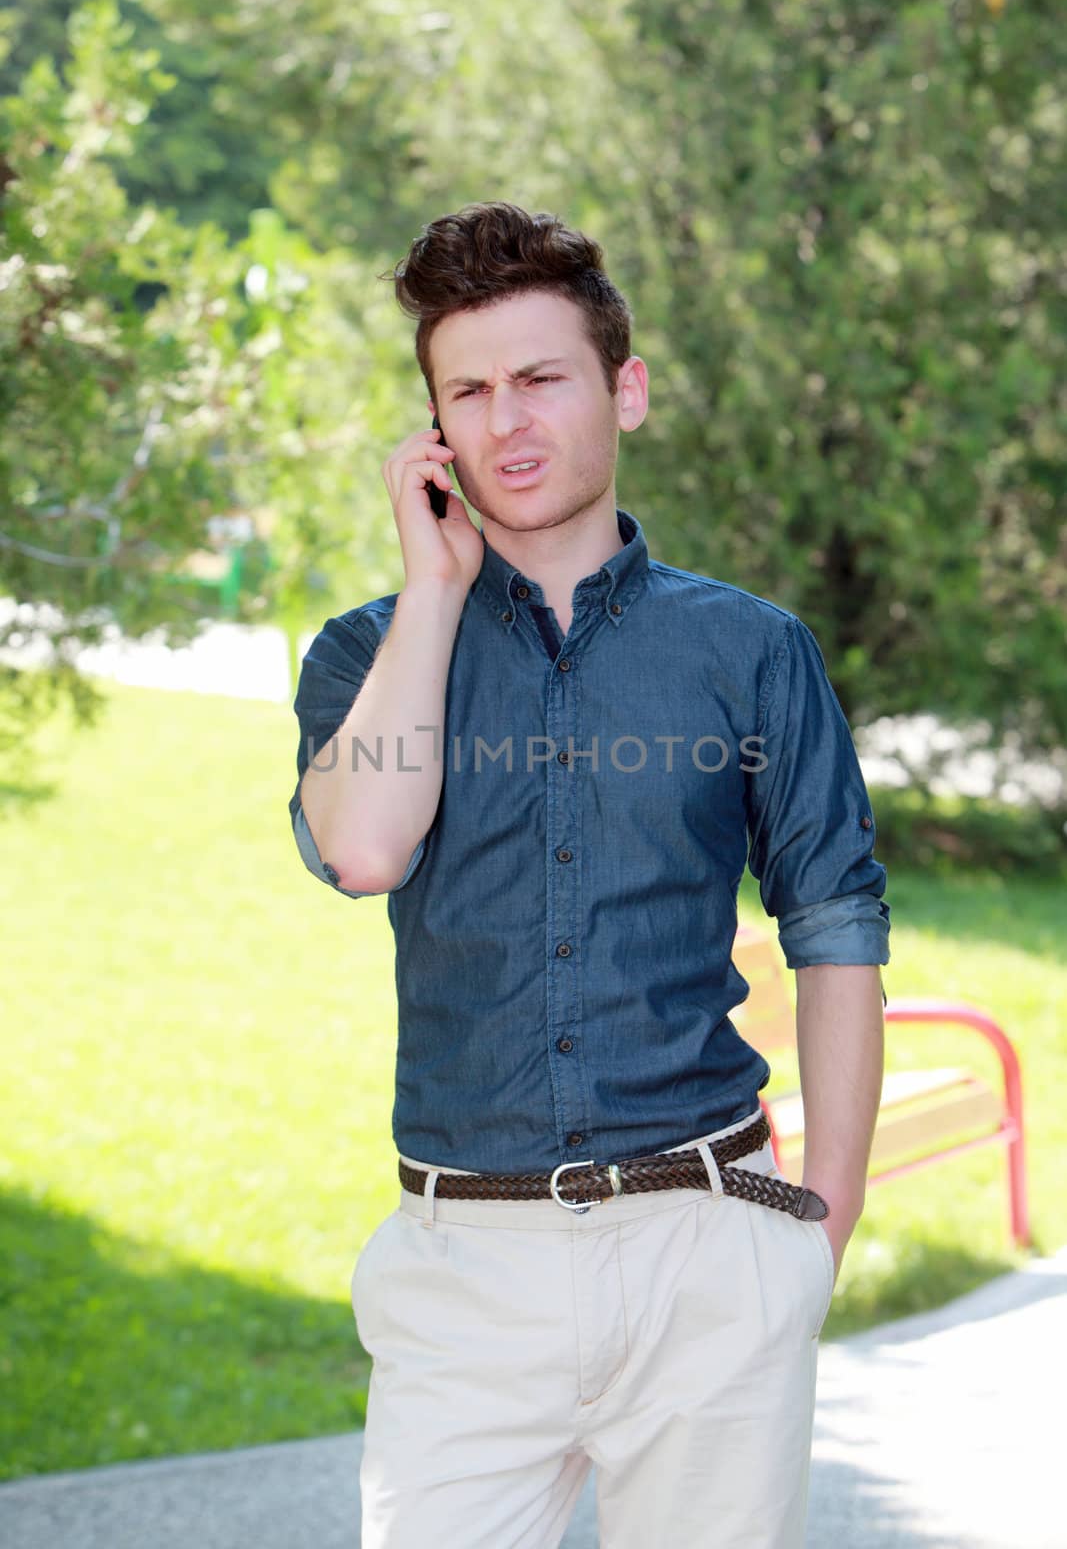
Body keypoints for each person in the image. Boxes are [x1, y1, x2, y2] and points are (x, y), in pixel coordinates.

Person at [288, 200, 890, 1549]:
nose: (508, 423)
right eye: (470, 391)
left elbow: (836, 922)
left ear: (624, 388)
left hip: (706, 1245)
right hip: (463, 1271)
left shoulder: (749, 651)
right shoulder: (367, 652)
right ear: (433, 426)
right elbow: (364, 849)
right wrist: (435, 592)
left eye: (542, 379)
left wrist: (820, 1230)